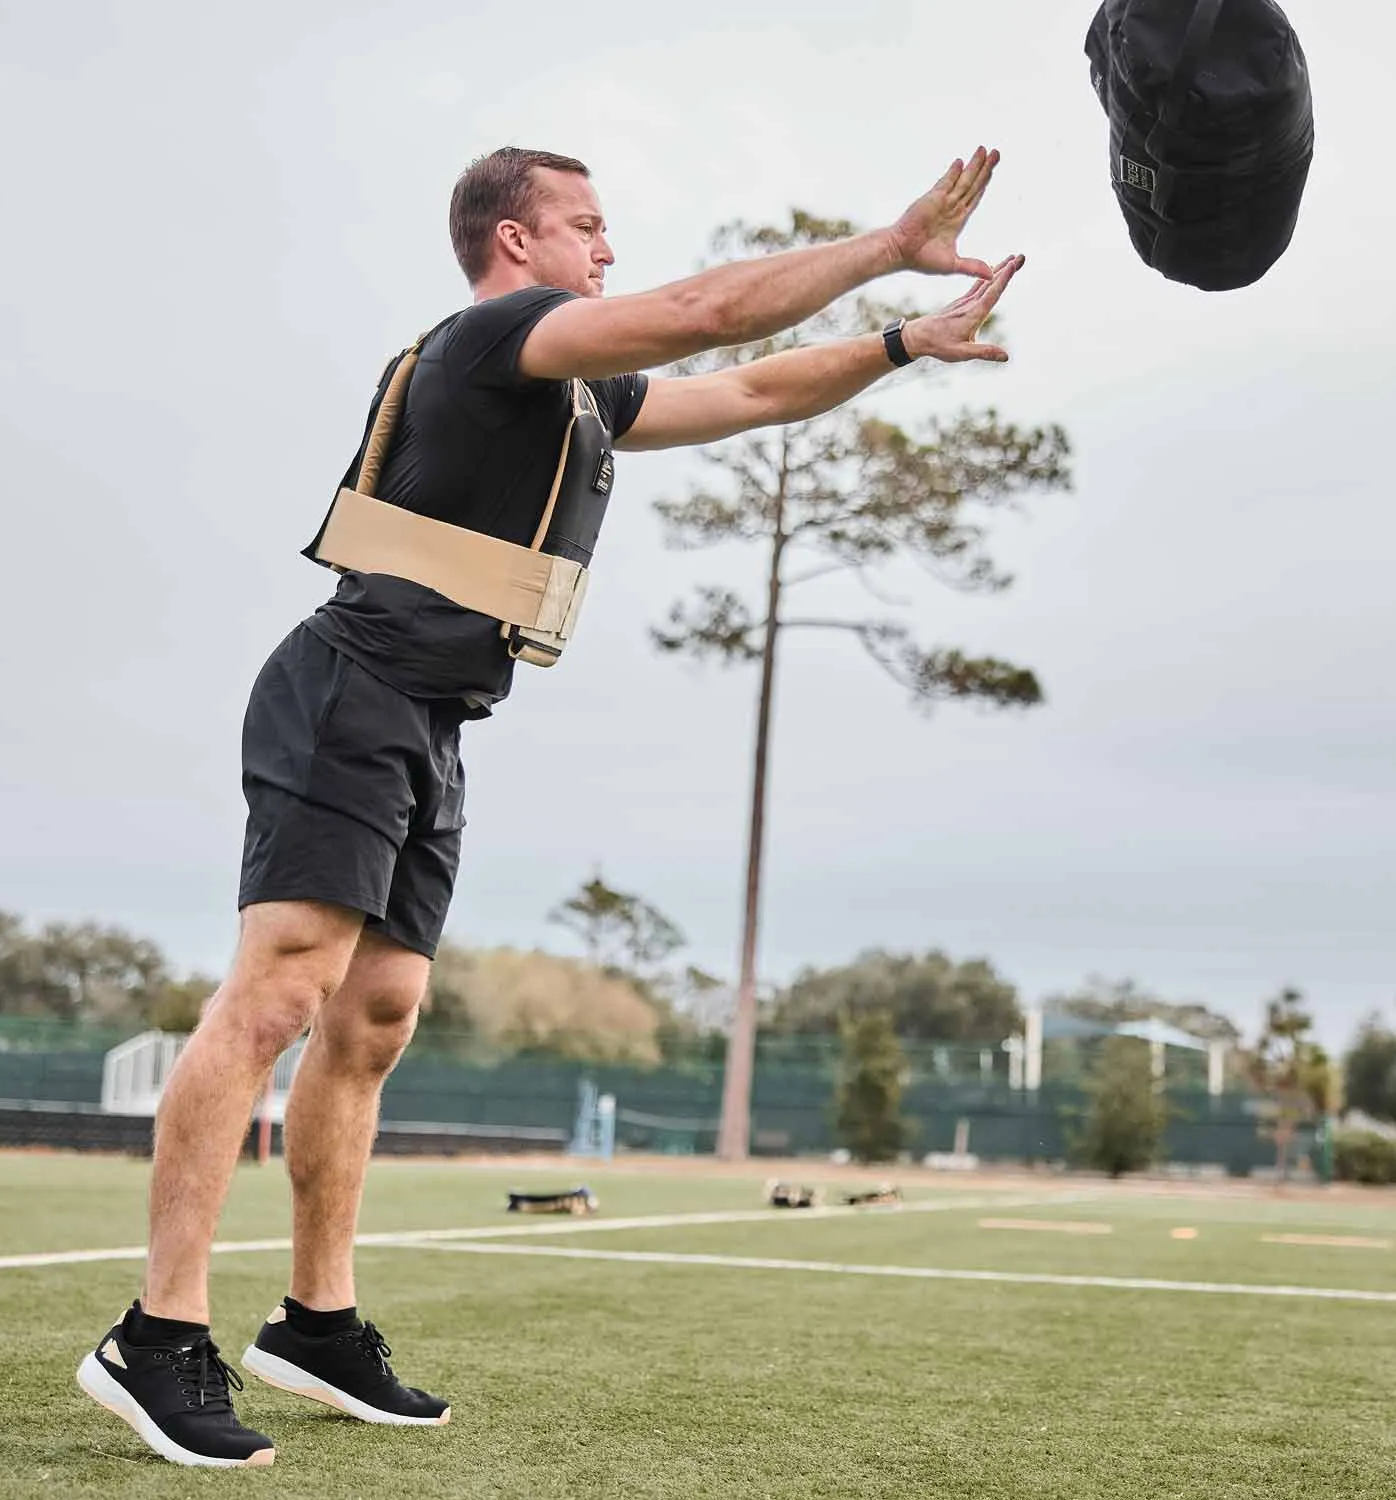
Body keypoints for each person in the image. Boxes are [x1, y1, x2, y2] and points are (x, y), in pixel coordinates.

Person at [75, 144, 1025, 1469]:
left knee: (379, 1016)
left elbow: (749, 384)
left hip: (434, 717)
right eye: (587, 226)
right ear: (514, 244)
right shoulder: (497, 336)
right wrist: (885, 243)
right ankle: (158, 1332)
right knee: (279, 997)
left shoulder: (578, 396)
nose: (608, 248)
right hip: (351, 688)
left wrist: (903, 339)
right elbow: (711, 316)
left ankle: (316, 1321)